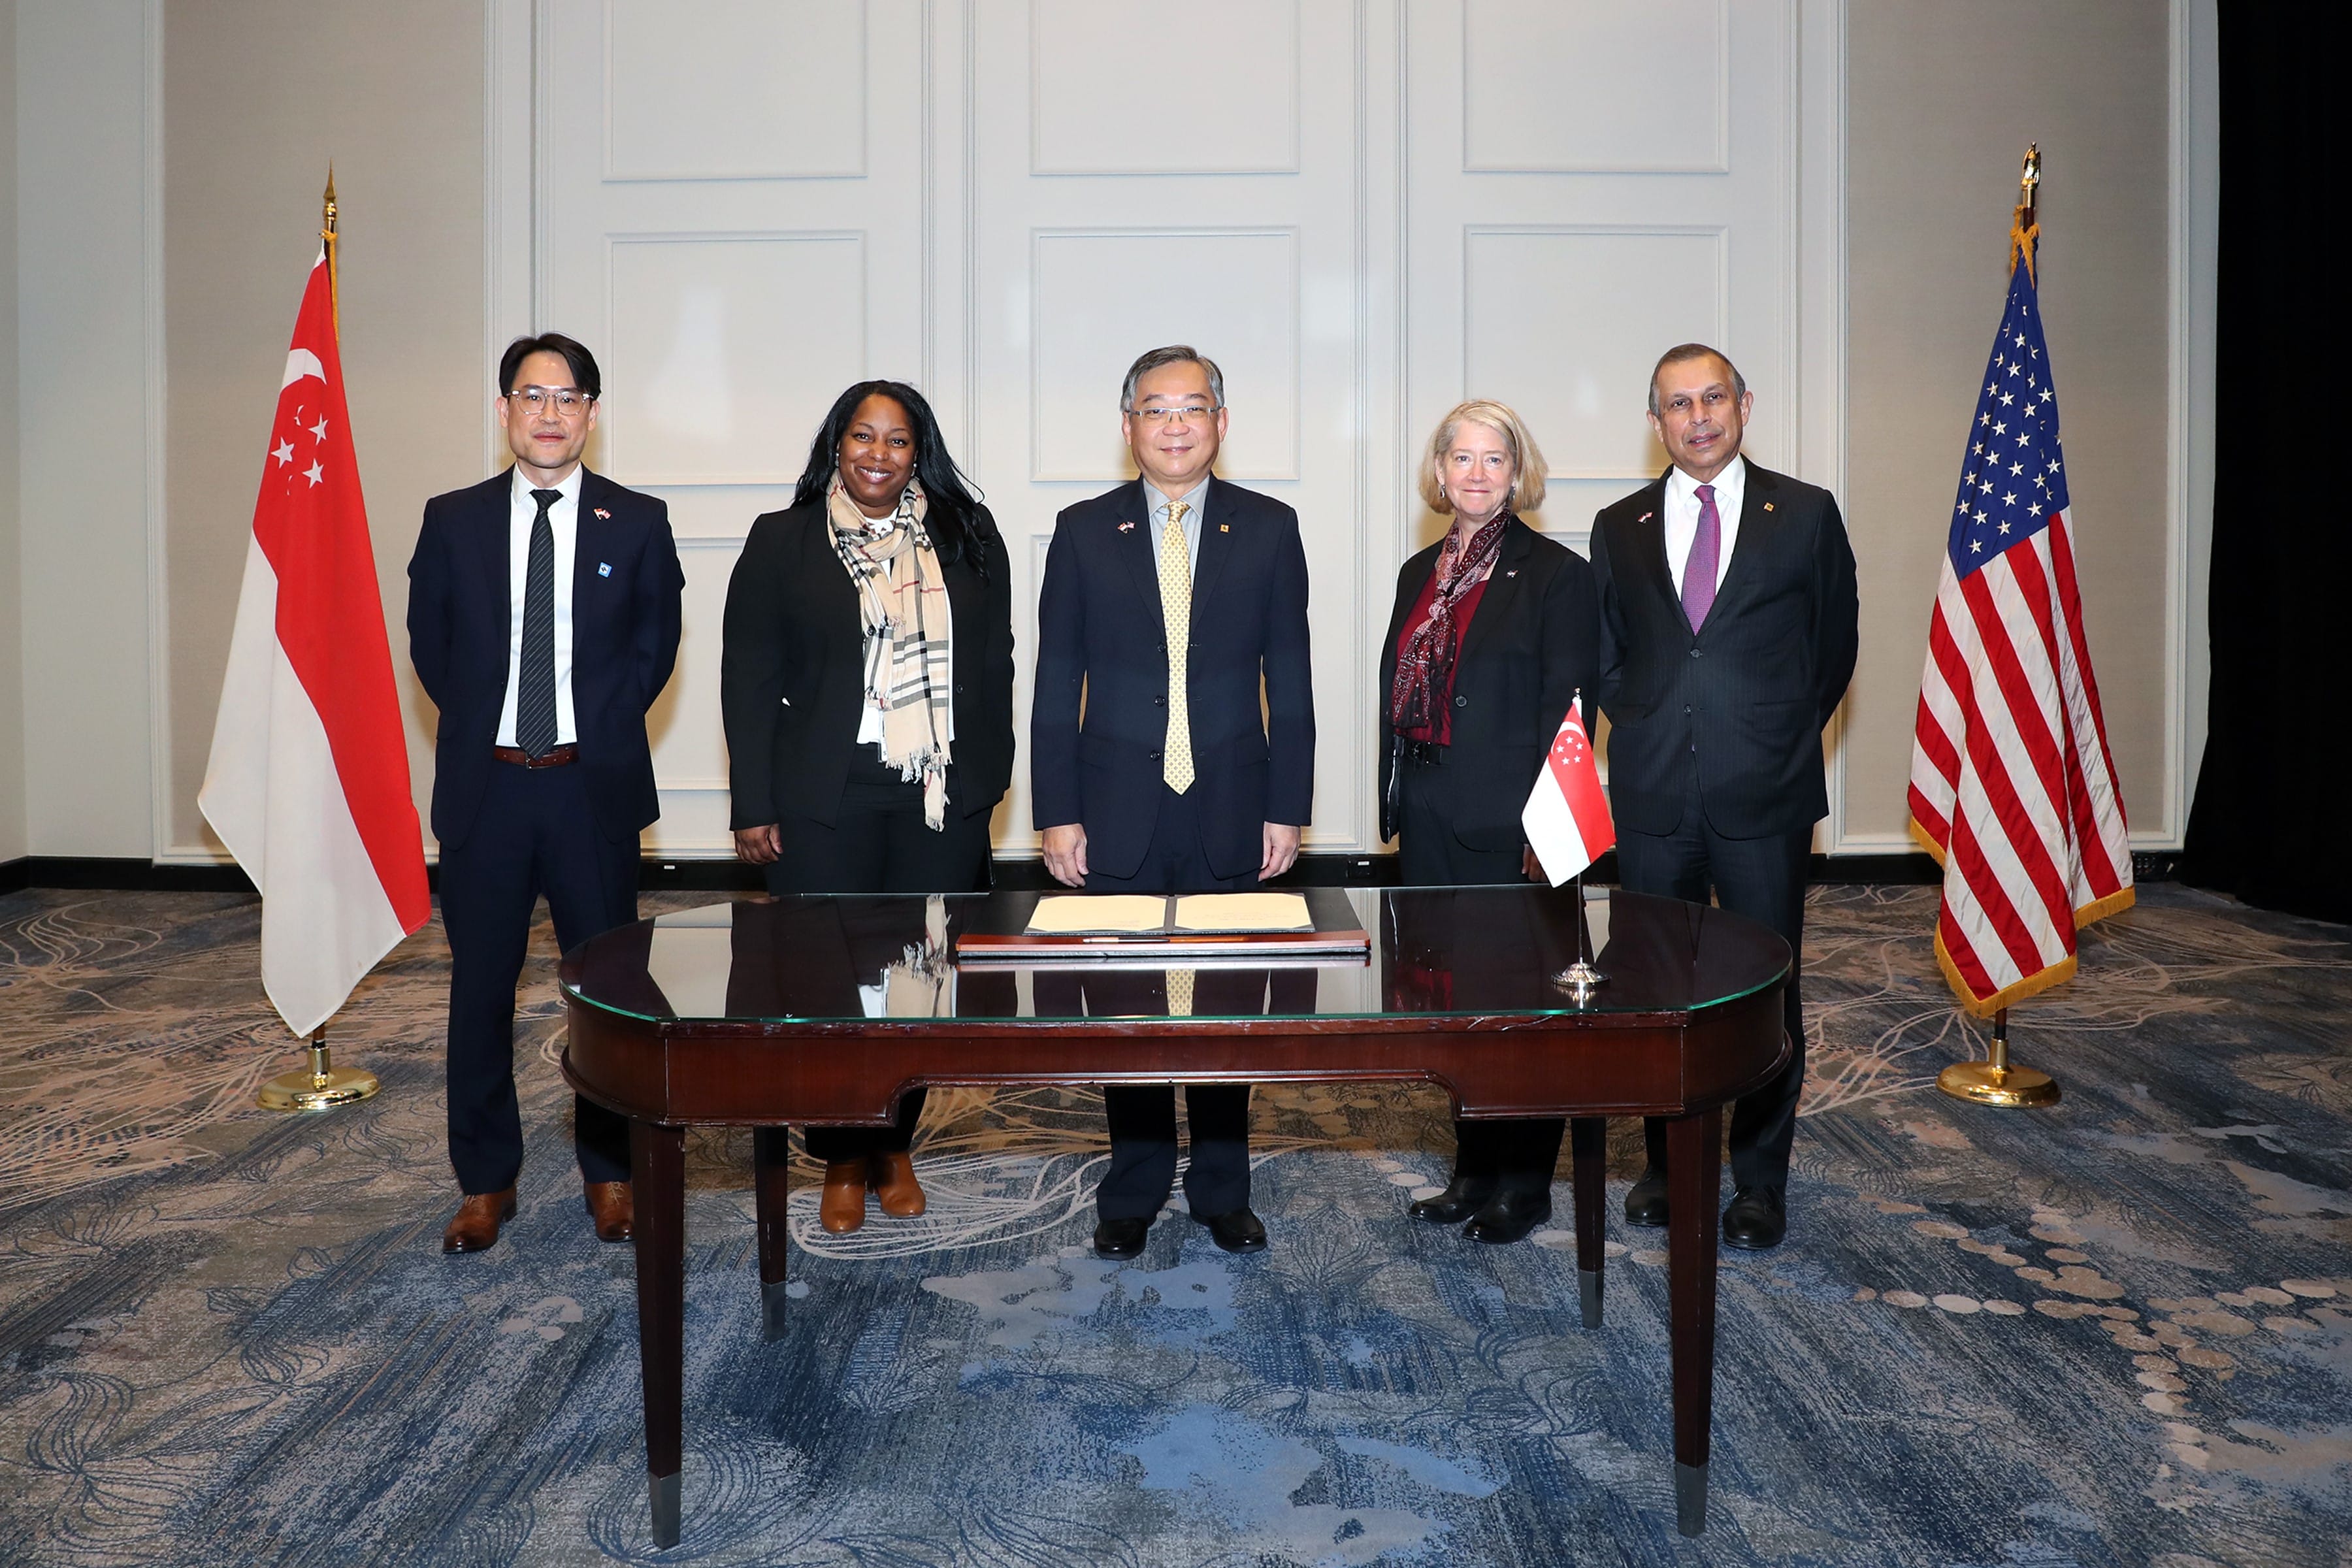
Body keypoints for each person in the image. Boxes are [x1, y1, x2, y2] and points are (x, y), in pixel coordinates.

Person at [1031, 344, 1315, 1260]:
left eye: (1194, 408)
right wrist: (1056, 809)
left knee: (1229, 1005)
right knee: (1128, 1007)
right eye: (1157, 409)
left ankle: (1223, 1190)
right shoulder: (1081, 530)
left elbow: (1293, 679)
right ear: (1130, 427)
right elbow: (1054, 680)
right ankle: (1134, 1189)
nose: (1177, 425)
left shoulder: (1271, 528)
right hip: (1115, 805)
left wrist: (1289, 804)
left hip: (1232, 799)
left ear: (1221, 424)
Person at [408, 332, 685, 1255]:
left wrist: (591, 729)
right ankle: (485, 1183)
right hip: (487, 793)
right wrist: (500, 730)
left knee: (608, 1000)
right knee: (479, 993)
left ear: (592, 414)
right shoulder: (451, 520)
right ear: (504, 411)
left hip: (588, 793)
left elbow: (654, 651)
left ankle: (610, 1177)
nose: (551, 413)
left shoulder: (638, 522)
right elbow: (434, 649)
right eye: (533, 396)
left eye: (569, 398)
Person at [721, 381, 1015, 1233]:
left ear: (919, 453)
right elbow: (749, 677)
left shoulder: (967, 536)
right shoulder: (783, 541)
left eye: (897, 441)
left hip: (933, 794)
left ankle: (895, 1145)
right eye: (863, 437)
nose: (878, 455)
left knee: (918, 986)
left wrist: (987, 783)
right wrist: (754, 803)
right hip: (824, 799)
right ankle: (844, 1159)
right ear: (836, 446)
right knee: (829, 990)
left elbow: (993, 666)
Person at [1589, 344, 1859, 1250]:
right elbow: (1613, 651)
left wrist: (1773, 730)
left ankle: (1758, 1183)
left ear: (1745, 405)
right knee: (1658, 994)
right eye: (1677, 404)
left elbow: (1833, 651)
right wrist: (1650, 716)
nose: (1697, 417)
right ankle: (1666, 1169)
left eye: (1713, 398)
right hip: (1655, 796)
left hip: (1764, 799)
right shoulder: (1617, 525)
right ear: (1656, 419)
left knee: (1764, 998)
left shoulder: (1806, 515)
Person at [1380, 400, 1599, 1244]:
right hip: (1431, 815)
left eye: (1494, 459)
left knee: (1519, 1010)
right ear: (1439, 474)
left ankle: (1525, 1182)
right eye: (1460, 458)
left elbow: (1570, 716)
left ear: (1519, 473)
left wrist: (1549, 837)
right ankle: (1471, 1169)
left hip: (1516, 825)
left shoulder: (1555, 575)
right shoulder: (1417, 574)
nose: (1476, 474)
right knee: (1453, 1006)